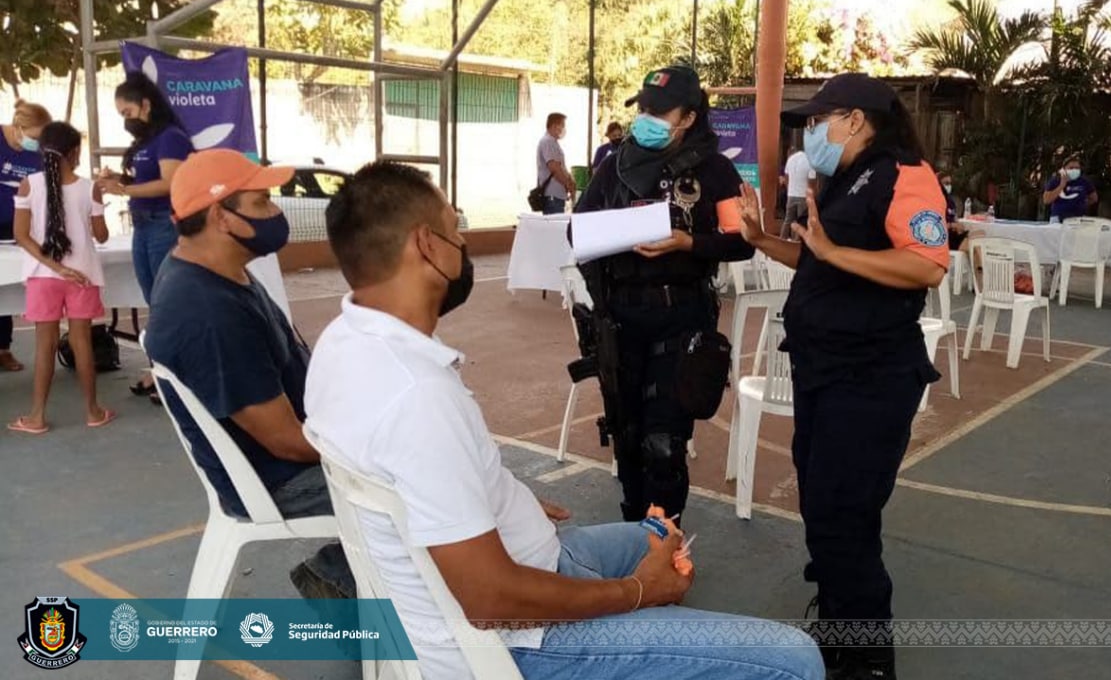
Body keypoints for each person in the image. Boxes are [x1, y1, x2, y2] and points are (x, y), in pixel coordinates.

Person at [305, 160, 823, 680]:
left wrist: (502, 494)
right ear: (427, 246)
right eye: (455, 230)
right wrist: (639, 593)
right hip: (517, 640)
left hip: (525, 560)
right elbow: (491, 601)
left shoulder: (343, 342)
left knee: (656, 537)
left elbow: (420, 475)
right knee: (795, 658)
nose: (460, 244)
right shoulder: (417, 397)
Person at [736, 73, 949, 680]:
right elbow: (818, 258)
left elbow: (926, 264)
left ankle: (866, 664)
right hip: (823, 373)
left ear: (855, 120)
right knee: (824, 510)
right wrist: (762, 241)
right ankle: (835, 634)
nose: (812, 132)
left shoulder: (907, 175)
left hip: (872, 378)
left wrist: (831, 254)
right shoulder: (842, 181)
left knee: (847, 521)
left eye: (820, 118)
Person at [144, 149, 354, 600]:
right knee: (422, 488)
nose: (276, 212)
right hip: (279, 480)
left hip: (295, 450)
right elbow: (287, 443)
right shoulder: (207, 312)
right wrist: (373, 448)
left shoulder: (220, 270)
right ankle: (348, 582)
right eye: (262, 203)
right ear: (222, 216)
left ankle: (341, 575)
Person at [573, 65, 754, 523]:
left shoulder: (715, 170)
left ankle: (665, 540)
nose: (648, 118)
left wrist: (689, 242)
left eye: (660, 111)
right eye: (644, 108)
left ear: (689, 118)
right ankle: (636, 534)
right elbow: (579, 228)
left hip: (681, 317)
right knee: (627, 434)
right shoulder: (615, 163)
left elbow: (741, 240)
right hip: (621, 317)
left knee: (663, 442)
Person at [7, 121, 114, 434]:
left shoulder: (29, 184)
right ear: (75, 152)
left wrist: (54, 266)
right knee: (82, 343)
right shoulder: (88, 187)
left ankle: (37, 416)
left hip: (43, 276)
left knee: (45, 345)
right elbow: (102, 236)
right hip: (83, 274)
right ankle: (93, 411)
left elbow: (21, 235)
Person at [99, 71, 194, 402]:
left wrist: (123, 187)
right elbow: (147, 179)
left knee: (168, 301)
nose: (126, 120)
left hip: (162, 223)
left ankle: (175, 376)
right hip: (143, 223)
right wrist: (121, 179)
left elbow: (171, 182)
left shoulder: (171, 137)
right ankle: (162, 370)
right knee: (156, 299)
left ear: (145, 104)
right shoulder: (148, 140)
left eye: (127, 112)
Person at [0, 100, 52, 372]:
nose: (37, 143)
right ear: (18, 127)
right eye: (34, 137)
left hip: (19, 227)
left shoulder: (39, 154)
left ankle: (2, 348)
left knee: (8, 284)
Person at [536, 112, 575, 214]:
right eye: (562, 125)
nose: (563, 129)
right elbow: (554, 167)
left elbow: (560, 166)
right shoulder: (547, 142)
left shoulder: (553, 142)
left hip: (557, 195)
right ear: (554, 126)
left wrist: (570, 179)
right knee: (555, 227)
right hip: (552, 196)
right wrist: (567, 184)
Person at [1041, 154, 1097, 221]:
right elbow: (1046, 200)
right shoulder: (1055, 181)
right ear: (1064, 169)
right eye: (1071, 168)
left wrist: (1082, 204)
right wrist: (1061, 186)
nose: (1074, 170)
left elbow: (1094, 198)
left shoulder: (1084, 181)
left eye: (1077, 168)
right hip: (1058, 218)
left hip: (1079, 218)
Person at [782, 144, 816, 240]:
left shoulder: (790, 159)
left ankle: (782, 239)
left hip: (791, 195)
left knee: (788, 220)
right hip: (803, 196)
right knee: (802, 221)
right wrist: (813, 196)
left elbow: (786, 177)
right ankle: (796, 242)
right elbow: (811, 182)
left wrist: (789, 189)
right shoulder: (810, 161)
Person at [938, 170, 968, 251]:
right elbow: (936, 225)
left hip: (953, 234)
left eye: (950, 183)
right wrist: (952, 225)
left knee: (980, 235)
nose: (949, 186)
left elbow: (955, 219)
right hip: (943, 236)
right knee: (970, 243)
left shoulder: (950, 202)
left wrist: (958, 226)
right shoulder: (936, 201)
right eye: (946, 183)